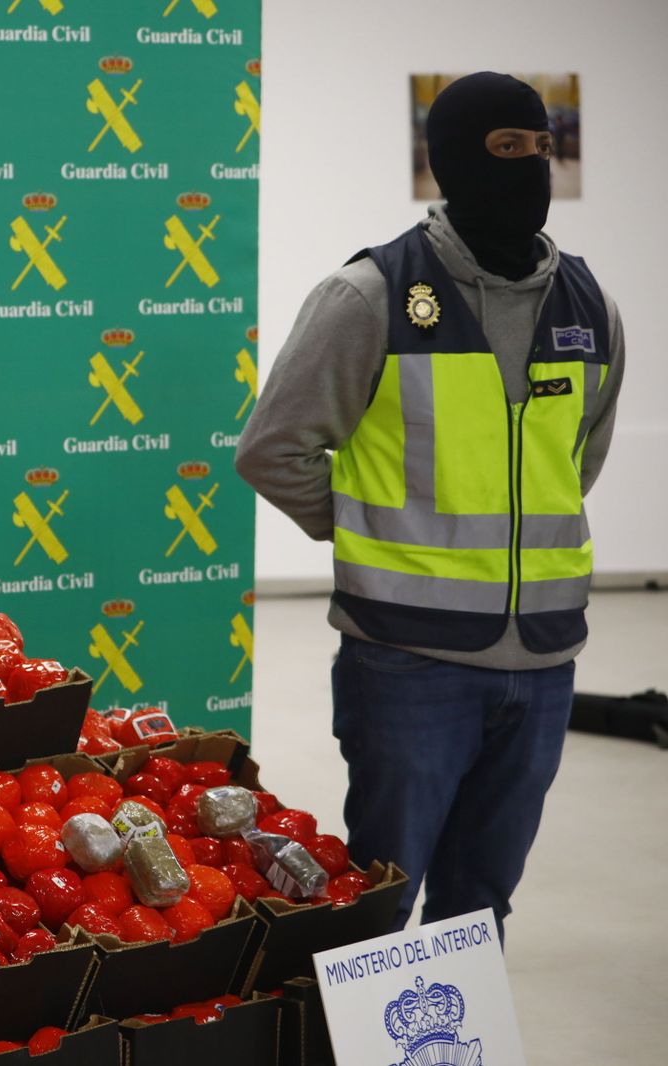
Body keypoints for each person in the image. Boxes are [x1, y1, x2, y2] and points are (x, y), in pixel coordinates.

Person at [236, 72, 624, 939]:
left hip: (546, 659)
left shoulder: (591, 306)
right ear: (448, 160)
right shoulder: (370, 296)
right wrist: (375, 531)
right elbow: (273, 449)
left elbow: (576, 460)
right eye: (505, 149)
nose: (530, 168)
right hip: (409, 666)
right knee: (379, 904)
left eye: (542, 148)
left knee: (481, 902)